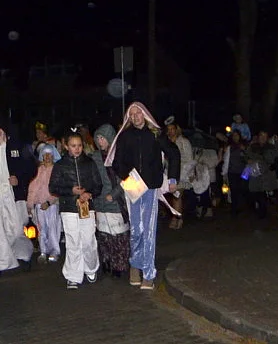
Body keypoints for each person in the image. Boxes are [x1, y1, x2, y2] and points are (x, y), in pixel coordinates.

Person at [105, 102, 180, 290]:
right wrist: (126, 177)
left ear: (145, 115)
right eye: (132, 114)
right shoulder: (125, 137)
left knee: (149, 230)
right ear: (129, 118)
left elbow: (174, 153)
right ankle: (135, 266)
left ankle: (148, 272)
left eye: (139, 113)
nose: (136, 117)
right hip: (133, 187)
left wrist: (172, 179)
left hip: (150, 188)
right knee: (136, 230)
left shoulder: (155, 134)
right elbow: (117, 162)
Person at [49, 129, 102, 289]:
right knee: (73, 241)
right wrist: (71, 191)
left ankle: (91, 268)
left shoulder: (90, 163)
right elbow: (53, 187)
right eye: (73, 145)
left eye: (79, 145)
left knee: (88, 240)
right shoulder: (60, 165)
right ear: (66, 146)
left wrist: (89, 193)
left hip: (87, 207)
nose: (77, 149)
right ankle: (73, 275)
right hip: (69, 208)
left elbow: (98, 185)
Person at [0, 120, 35, 278]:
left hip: (12, 194)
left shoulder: (16, 146)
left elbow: (31, 167)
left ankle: (21, 255)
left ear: (1, 129)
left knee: (14, 229)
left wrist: (19, 179)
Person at [90, 124, 130, 279]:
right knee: (104, 235)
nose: (100, 141)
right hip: (100, 203)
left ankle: (119, 264)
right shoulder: (94, 157)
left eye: (103, 138)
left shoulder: (119, 156)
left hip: (116, 202)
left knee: (118, 235)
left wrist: (114, 194)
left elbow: (126, 179)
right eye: (98, 138)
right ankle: (106, 262)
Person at [26, 143, 62, 263]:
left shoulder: (57, 170)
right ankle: (43, 251)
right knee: (41, 229)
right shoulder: (38, 170)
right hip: (39, 205)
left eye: (49, 154)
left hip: (51, 205)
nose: (47, 157)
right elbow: (33, 187)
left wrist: (49, 202)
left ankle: (55, 251)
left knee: (53, 228)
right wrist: (30, 204)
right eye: (45, 154)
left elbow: (58, 189)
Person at [244, 130, 278, 219]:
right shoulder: (252, 146)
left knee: (263, 193)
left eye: (265, 136)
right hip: (254, 172)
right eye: (261, 136)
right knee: (252, 191)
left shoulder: (271, 147)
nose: (263, 138)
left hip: (266, 173)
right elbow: (246, 156)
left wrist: (276, 142)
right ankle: (255, 208)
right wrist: (248, 160)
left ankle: (262, 212)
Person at [165, 118, 193, 229]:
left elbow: (190, 159)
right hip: (169, 173)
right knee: (175, 197)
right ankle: (178, 217)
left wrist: (190, 173)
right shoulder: (166, 142)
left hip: (182, 173)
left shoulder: (184, 142)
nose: (171, 131)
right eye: (169, 129)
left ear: (177, 130)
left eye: (173, 129)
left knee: (177, 195)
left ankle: (175, 218)